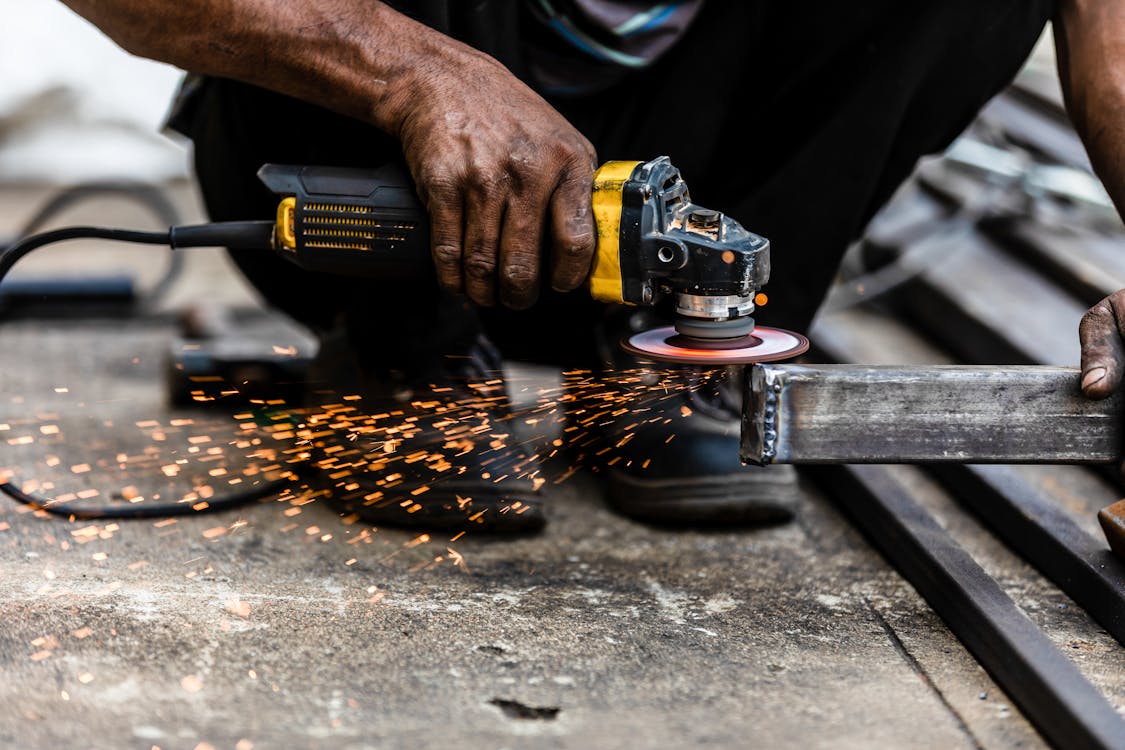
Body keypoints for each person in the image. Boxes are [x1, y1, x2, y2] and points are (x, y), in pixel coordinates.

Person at [60, 0, 1125, 535]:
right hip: (358, 150)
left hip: (682, 159)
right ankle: (406, 352)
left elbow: (1110, 44)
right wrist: (413, 75)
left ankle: (686, 353)